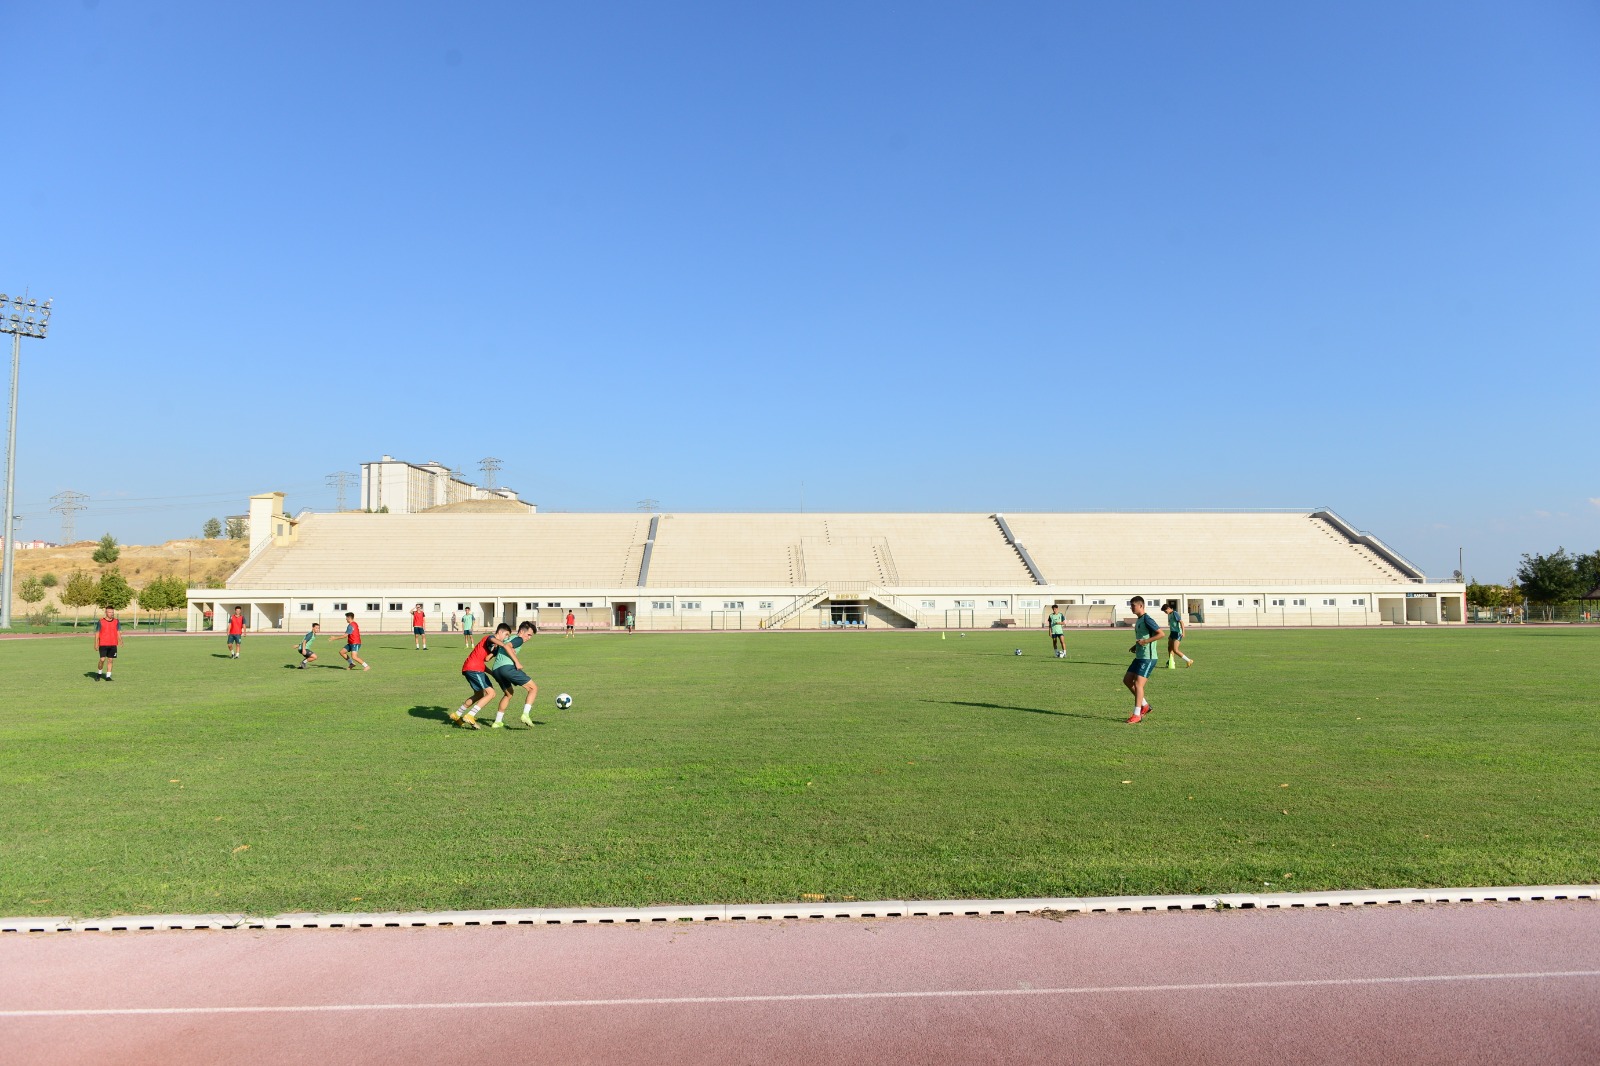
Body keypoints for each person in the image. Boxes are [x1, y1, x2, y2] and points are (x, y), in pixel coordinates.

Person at [452, 623, 512, 729]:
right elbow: (492, 639)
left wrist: (496, 653)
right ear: (500, 632)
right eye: (506, 635)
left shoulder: (494, 646)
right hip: (474, 668)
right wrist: (504, 645)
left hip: (471, 668)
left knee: (479, 694)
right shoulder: (489, 637)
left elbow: (486, 659)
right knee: (491, 693)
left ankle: (457, 714)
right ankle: (470, 715)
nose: (506, 638)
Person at [485, 620, 539, 729]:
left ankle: (497, 722)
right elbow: (508, 647)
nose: (529, 638)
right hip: (507, 668)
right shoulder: (518, 639)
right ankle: (525, 715)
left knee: (508, 694)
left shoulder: (507, 638)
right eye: (528, 635)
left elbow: (488, 658)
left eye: (531, 636)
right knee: (533, 688)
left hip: (496, 670)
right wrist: (517, 662)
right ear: (521, 632)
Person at [1123, 596, 1164, 724]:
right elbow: (1143, 636)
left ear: (1141, 606)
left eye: (1133, 605)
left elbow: (1161, 634)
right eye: (1131, 605)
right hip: (1140, 656)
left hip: (1148, 658)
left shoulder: (1147, 619)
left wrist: (1145, 641)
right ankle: (1145, 705)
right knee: (1127, 680)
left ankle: (1137, 714)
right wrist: (1136, 645)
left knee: (1138, 684)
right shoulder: (1140, 619)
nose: (1131, 608)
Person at [93, 606, 120, 681]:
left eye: (112, 612)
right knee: (102, 659)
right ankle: (99, 673)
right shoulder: (101, 621)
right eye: (110, 612)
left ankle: (108, 676)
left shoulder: (116, 621)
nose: (111, 613)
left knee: (110, 660)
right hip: (103, 643)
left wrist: (120, 640)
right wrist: (96, 643)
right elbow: (97, 633)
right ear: (106, 613)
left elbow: (118, 631)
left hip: (113, 643)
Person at [1164, 600, 1193, 669]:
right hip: (1172, 633)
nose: (1165, 613)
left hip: (1177, 633)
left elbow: (1181, 622)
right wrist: (1170, 634)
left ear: (1168, 608)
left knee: (1175, 650)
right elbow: (1172, 625)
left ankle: (1189, 660)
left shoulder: (1175, 613)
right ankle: (1172, 661)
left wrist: (1183, 632)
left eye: (1165, 611)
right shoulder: (1169, 615)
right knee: (1169, 648)